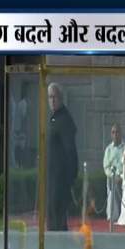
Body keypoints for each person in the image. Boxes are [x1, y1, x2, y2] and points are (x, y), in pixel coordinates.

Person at [46, 82, 78, 231]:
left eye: (55, 97)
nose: (52, 100)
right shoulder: (54, 118)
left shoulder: (64, 119)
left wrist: (70, 179)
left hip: (60, 180)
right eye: (50, 97)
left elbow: (70, 151)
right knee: (52, 216)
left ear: (61, 98)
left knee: (57, 218)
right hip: (52, 177)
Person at [103, 123, 124, 222]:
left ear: (120, 134)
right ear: (111, 135)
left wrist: (121, 176)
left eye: (117, 132)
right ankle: (113, 216)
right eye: (113, 132)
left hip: (123, 177)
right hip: (112, 178)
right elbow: (106, 166)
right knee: (113, 187)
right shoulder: (108, 149)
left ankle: (121, 216)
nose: (115, 135)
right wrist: (113, 176)